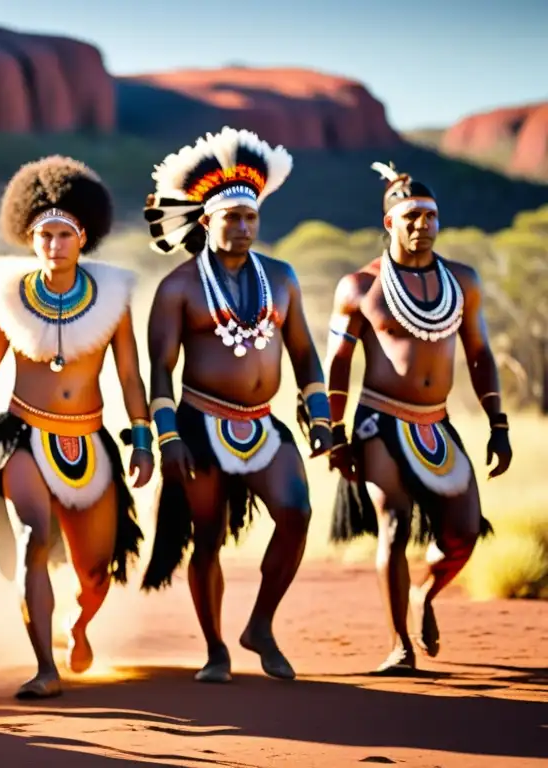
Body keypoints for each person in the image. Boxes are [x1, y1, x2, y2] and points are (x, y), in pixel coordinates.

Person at [140, 127, 333, 682]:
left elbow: (304, 353)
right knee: (208, 539)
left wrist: (318, 414)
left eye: (251, 217)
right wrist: (168, 436)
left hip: (263, 425)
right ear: (207, 222)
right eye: (232, 218)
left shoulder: (282, 278)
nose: (244, 226)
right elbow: (160, 370)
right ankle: (216, 650)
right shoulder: (178, 287)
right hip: (200, 424)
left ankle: (261, 626)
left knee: (296, 513)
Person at [0, 155, 152, 699]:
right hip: (23, 436)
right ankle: (44, 666)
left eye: (64, 234)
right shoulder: (6, 296)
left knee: (96, 570)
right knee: (32, 541)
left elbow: (128, 374)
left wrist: (142, 437)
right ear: (29, 237)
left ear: (83, 238)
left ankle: (79, 625)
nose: (54, 244)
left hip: (91, 440)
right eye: (44, 234)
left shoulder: (113, 298)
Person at [326, 161, 512, 673]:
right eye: (411, 217)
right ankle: (399, 646)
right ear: (390, 223)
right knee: (394, 524)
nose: (422, 225)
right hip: (379, 422)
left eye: (430, 216)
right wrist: (332, 431)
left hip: (436, 423)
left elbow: (480, 355)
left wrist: (498, 423)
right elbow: (337, 364)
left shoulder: (463, 281)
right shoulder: (359, 287)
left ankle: (424, 595)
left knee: (464, 534)